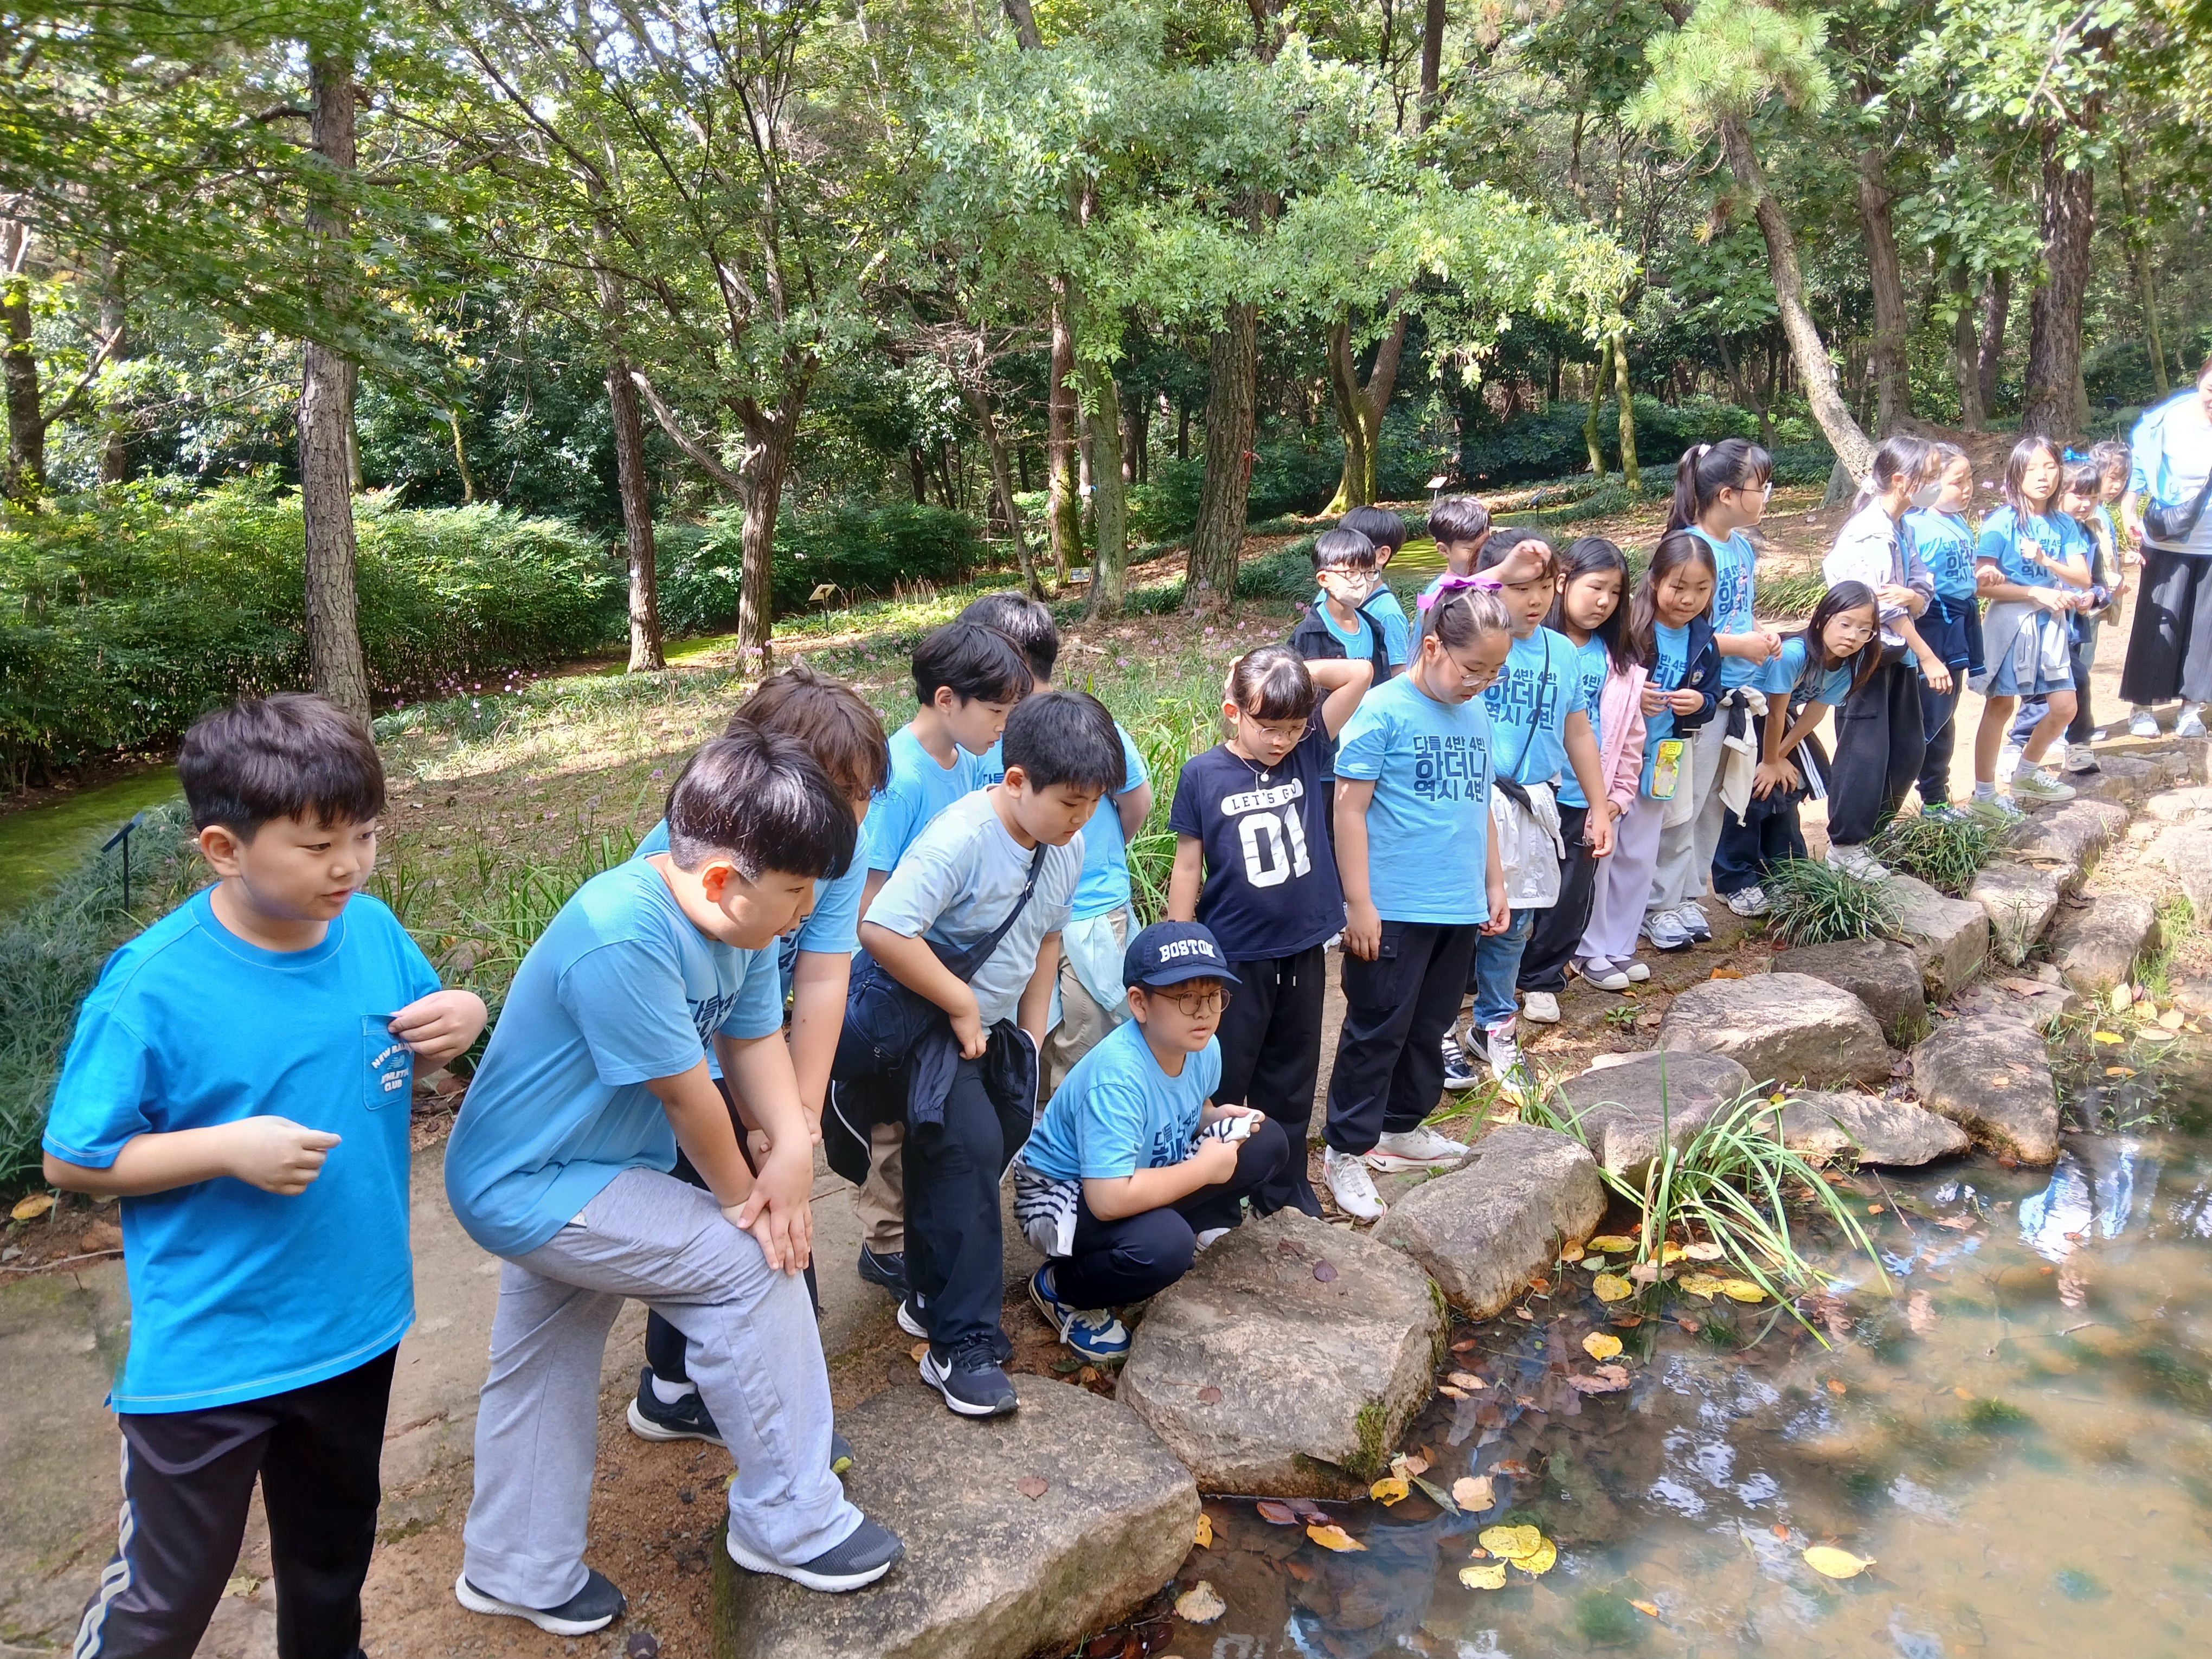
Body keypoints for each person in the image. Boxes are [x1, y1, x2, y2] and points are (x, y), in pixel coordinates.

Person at [42, 695, 486, 1659]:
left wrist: (463, 1012)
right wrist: (225, 1148)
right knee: (167, 1596)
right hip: (214, 1349)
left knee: (331, 1564)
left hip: (357, 1322)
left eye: (365, 836)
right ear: (223, 847)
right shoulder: (153, 984)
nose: (350, 866)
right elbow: (71, 1158)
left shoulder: (368, 930)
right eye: (318, 843)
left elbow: (419, 1051)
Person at [443, 729, 901, 1621]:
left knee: (546, 1358)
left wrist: (792, 1147)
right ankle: (790, 1517)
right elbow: (692, 1101)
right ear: (725, 879)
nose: (808, 911)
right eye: (798, 890)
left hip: (590, 1170)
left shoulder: (732, 924)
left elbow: (754, 1042)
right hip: (532, 1183)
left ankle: (514, 1568)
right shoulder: (622, 934)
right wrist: (750, 1201)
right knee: (744, 1261)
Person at [624, 666, 890, 1450]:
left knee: (758, 1197)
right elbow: (681, 1045)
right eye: (840, 794)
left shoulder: (842, 846)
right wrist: (759, 1136)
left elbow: (822, 973)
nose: (854, 817)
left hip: (747, 1041)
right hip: (674, 1060)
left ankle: (673, 1386)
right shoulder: (691, 858)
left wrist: (797, 1120)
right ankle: (751, 1409)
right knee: (750, 1223)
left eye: (865, 796)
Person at [844, 690, 1124, 1418]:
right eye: (1070, 800)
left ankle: (931, 1299)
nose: (1082, 817)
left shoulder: (1066, 844)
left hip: (991, 1031)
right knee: (965, 1158)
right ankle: (960, 1347)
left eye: (1094, 801)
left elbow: (1047, 942)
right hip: (924, 1020)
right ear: (1015, 781)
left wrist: (1029, 1042)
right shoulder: (962, 839)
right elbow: (882, 931)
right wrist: (965, 1006)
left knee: (984, 1149)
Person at [846, 621, 1032, 1307]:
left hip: (949, 968)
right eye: (998, 713)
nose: (1004, 729)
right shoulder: (897, 778)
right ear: (947, 700)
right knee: (896, 1124)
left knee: (933, 1121)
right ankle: (886, 1243)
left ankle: (918, 1234)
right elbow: (871, 912)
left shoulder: (976, 759)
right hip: (902, 977)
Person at [1320, 580, 1514, 1221]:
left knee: (1430, 1027)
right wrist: (1358, 904)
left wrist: (1493, 882)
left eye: (1493, 672)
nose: (1480, 683)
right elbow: (1348, 811)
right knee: (1377, 1028)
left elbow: (1479, 803)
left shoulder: (1477, 711)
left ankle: (1400, 1129)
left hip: (1456, 904)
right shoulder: (1382, 710)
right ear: (1431, 647)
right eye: (1471, 668)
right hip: (1393, 906)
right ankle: (1345, 1149)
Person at [1011, 922, 1291, 1363]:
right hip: (1062, 1197)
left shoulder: (1202, 1047)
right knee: (1166, 1247)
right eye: (1186, 998)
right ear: (1139, 1004)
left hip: (1138, 1171)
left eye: (1214, 995)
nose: (1204, 1012)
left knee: (1264, 1140)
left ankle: (1157, 1229)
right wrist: (1202, 1171)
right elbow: (1105, 1199)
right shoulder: (1118, 1078)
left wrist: (1214, 1118)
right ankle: (1062, 1289)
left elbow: (1190, 1103)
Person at [1165, 646, 1372, 1218]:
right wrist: (1178, 947)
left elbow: (1360, 673)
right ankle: (1213, 1197)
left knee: (1294, 1070)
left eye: (1292, 726)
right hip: (1234, 954)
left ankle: (1282, 1189)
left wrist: (1292, 670)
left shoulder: (1308, 751)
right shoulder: (1203, 774)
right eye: (1267, 727)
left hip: (1304, 945)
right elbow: (1188, 863)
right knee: (1227, 1073)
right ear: (1233, 712)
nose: (1280, 740)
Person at [961, 593, 1154, 1092]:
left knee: (1090, 1033)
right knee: (1028, 1036)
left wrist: (1081, 854)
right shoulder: (983, 735)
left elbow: (1136, 802)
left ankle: (1078, 1148)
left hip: (1093, 911)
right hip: (1014, 918)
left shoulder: (1085, 723)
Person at [1456, 531, 1614, 1097]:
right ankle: (1438, 1032)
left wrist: (1599, 805)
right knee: (1458, 923)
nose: (1533, 599)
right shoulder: (1460, 641)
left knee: (1515, 924)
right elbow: (1439, 598)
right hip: (1468, 801)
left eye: (1544, 586)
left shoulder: (1563, 653)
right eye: (1517, 586)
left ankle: (1494, 1027)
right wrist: (1488, 577)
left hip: (1533, 802)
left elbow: (1578, 729)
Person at [1650, 441, 1783, 950]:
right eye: (1761, 486)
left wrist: (1761, 636)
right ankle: (1659, 903)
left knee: (1712, 803)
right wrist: (1739, 644)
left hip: (1736, 696)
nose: (1768, 495)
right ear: (1728, 493)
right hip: (1696, 700)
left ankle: (1690, 896)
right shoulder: (1688, 547)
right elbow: (1679, 626)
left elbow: (1737, 616)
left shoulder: (1743, 546)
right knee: (1678, 803)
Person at [1579, 534, 1719, 986]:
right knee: (1605, 854)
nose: (1689, 599)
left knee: (1640, 855)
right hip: (1618, 758)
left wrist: (1699, 701)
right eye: (1679, 586)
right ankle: (1590, 948)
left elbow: (1713, 696)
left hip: (1662, 760)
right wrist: (1634, 697)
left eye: (1702, 589)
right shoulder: (1630, 630)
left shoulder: (1703, 637)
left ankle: (1620, 945)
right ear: (1654, 580)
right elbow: (1604, 687)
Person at [1815, 434, 1947, 880]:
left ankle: (1868, 836)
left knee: (1907, 750)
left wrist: (1913, 597)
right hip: (1867, 657)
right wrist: (1929, 654)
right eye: (1930, 475)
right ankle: (1846, 845)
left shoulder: (1902, 527)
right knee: (1865, 752)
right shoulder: (1870, 532)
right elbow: (1883, 608)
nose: (1937, 483)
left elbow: (1920, 588)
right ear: (1901, 480)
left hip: (1896, 656)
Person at [1519, 537, 1641, 1008]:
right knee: (1519, 887)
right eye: (1595, 588)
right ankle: (1489, 979)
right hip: (1532, 792)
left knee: (1571, 894)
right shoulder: (1527, 645)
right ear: (1563, 582)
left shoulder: (1618, 659)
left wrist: (1613, 797)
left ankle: (1542, 978)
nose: (1604, 602)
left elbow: (1627, 734)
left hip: (1584, 796)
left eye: (1615, 592)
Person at [1967, 436, 2095, 822]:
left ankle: (2026, 773)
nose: (2043, 477)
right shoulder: (2002, 522)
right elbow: (1980, 582)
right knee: (2001, 706)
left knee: (2065, 707)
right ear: (2016, 475)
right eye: (2032, 469)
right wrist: (2033, 590)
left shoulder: (2064, 524)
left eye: (2050, 467)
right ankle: (1984, 794)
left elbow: (2084, 577)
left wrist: (2047, 564)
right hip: (2011, 624)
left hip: (2052, 626)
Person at [1747, 583, 1883, 886]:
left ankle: (1787, 870)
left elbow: (1815, 712)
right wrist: (1770, 761)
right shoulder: (1795, 654)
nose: (1853, 636)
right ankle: (1744, 876)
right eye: (1846, 624)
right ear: (1822, 619)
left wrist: (1780, 756)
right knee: (1757, 791)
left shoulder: (1851, 662)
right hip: (1747, 711)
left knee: (1790, 783)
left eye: (1865, 630)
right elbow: (1774, 711)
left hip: (1780, 720)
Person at [2120, 353, 2212, 737]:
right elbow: (2139, 469)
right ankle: (2142, 707)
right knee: (2158, 626)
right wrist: (2128, 510)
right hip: (2168, 540)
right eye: (2211, 389)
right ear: (2199, 381)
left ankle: (2192, 709)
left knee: (2206, 630)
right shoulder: (2167, 420)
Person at [1905, 443, 1983, 816]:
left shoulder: (1956, 522)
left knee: (1948, 712)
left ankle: (1938, 796)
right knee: (1932, 714)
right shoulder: (1917, 526)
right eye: (1957, 481)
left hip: (1961, 624)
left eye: (1970, 479)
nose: (1967, 488)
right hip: (1935, 625)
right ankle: (1929, 798)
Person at [1289, 525, 1399, 685]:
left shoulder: (1374, 628)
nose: (1362, 581)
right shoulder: (1307, 635)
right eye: (1352, 573)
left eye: (1369, 573)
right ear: (1324, 579)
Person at [1341, 504, 1413, 669]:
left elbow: (1397, 675)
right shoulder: (1328, 595)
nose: (1342, 554)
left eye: (1353, 547)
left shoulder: (1388, 614)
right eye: (1341, 545)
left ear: (1382, 555)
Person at [1417, 494, 1495, 610]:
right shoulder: (1437, 597)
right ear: (1444, 550)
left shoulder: (1498, 586)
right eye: (1471, 550)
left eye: (1486, 545)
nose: (1482, 555)